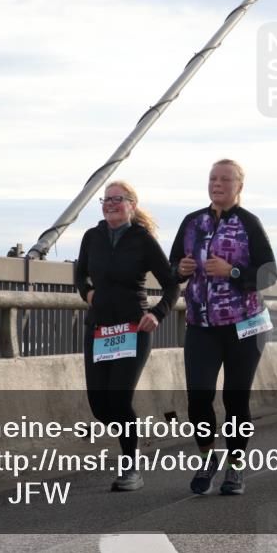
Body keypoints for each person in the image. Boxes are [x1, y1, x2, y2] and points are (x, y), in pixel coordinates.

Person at [169, 159, 277, 496]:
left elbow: (269, 273)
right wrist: (181, 269)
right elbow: (171, 267)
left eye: (225, 179)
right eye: (213, 178)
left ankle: (235, 466)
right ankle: (207, 457)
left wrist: (231, 271)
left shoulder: (249, 224)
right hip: (201, 323)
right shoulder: (192, 222)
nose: (217, 184)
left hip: (244, 325)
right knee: (198, 397)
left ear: (239, 186)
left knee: (235, 398)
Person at [75, 180, 179, 491]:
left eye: (117, 199)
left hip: (133, 329)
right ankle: (130, 432)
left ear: (131, 205)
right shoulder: (91, 237)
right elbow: (79, 274)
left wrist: (157, 314)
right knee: (99, 405)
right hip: (99, 329)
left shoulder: (143, 240)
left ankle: (130, 466)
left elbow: (172, 285)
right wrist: (88, 293)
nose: (109, 204)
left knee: (119, 398)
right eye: (105, 200)